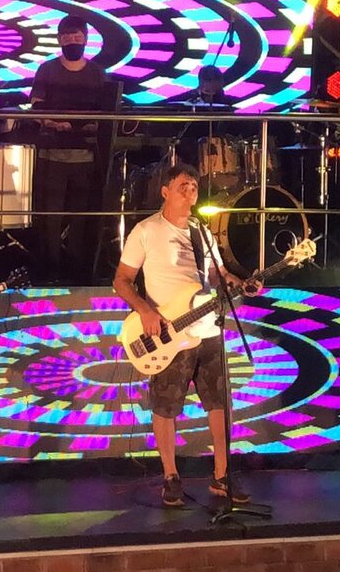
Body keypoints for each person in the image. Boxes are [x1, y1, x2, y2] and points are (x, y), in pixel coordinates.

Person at [111, 163, 261, 507]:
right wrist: (145, 311)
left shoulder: (202, 231)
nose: (190, 192)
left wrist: (242, 283)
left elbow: (218, 274)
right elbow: (121, 280)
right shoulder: (146, 231)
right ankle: (171, 476)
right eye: (183, 186)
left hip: (208, 329)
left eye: (193, 187)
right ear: (165, 191)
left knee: (219, 404)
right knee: (166, 406)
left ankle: (222, 476)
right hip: (168, 333)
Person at [29, 14, 110, 283]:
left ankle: (77, 273)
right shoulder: (47, 70)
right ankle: (49, 272)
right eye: (67, 37)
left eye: (77, 37)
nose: (73, 41)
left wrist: (89, 126)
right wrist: (54, 123)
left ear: (86, 39)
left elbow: (105, 113)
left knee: (80, 218)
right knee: (49, 218)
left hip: (85, 156)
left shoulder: (97, 73)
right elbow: (36, 108)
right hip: (51, 154)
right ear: (59, 40)